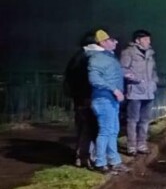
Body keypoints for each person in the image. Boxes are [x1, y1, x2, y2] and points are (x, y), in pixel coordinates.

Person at [86, 29, 127, 173]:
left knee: (113, 131)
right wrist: (114, 90)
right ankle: (100, 163)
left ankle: (114, 161)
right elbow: (95, 79)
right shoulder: (97, 58)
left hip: (111, 100)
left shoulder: (107, 57)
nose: (115, 42)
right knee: (105, 132)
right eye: (112, 40)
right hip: (104, 100)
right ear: (103, 42)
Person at [63, 31, 98, 168]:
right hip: (87, 97)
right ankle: (87, 157)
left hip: (80, 98)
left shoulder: (78, 57)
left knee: (84, 127)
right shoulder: (87, 57)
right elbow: (84, 80)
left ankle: (81, 156)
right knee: (89, 128)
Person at [120, 29, 158, 156]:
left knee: (145, 120)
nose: (149, 41)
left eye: (149, 39)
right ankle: (131, 146)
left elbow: (153, 72)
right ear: (137, 40)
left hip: (148, 92)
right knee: (133, 120)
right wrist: (135, 79)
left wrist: (154, 83)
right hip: (135, 92)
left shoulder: (150, 54)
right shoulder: (128, 53)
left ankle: (142, 144)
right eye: (146, 39)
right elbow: (123, 69)